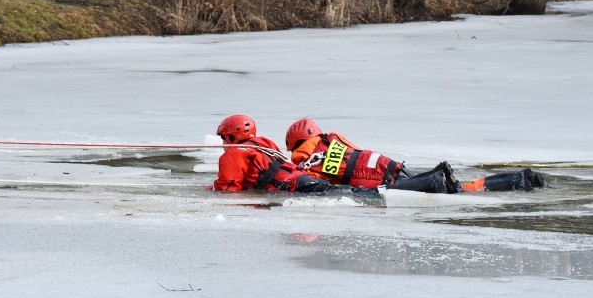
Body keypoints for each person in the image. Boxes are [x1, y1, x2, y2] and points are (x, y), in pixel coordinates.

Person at [284, 117, 545, 193]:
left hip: (380, 182)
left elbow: (321, 186)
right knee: (459, 189)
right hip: (392, 167)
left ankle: (517, 181)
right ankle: (519, 179)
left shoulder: (306, 161)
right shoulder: (332, 139)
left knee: (457, 192)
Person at [212, 114, 354, 194]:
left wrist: (211, 190)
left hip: (291, 187)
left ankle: (375, 192)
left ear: (231, 136)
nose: (223, 143)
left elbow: (228, 189)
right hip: (301, 179)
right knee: (346, 192)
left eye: (223, 138)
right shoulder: (264, 143)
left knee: (344, 194)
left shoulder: (233, 153)